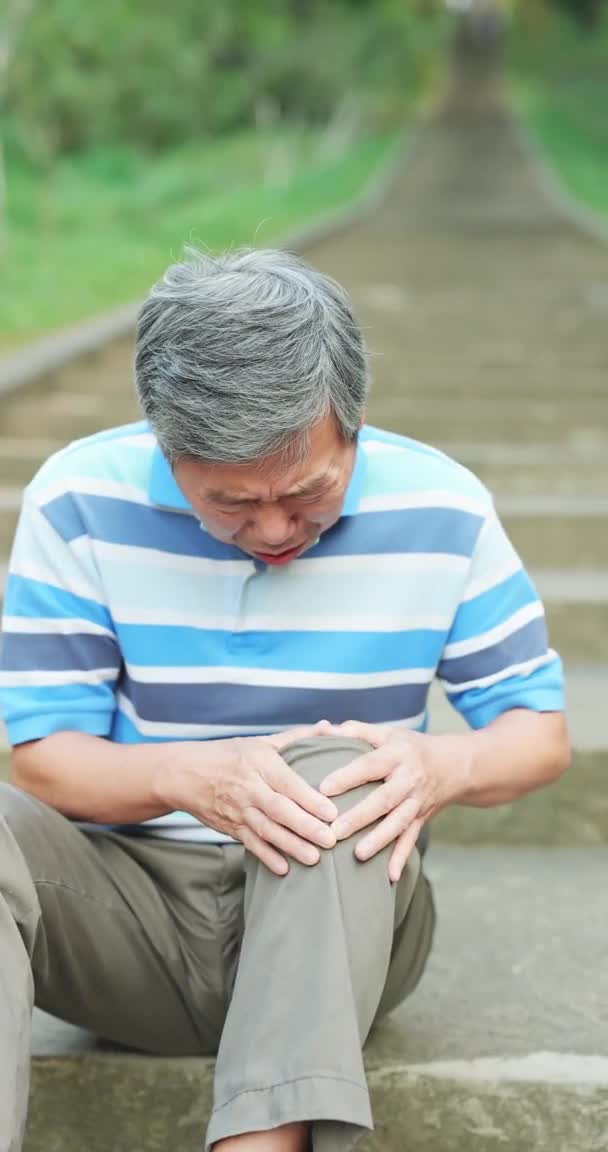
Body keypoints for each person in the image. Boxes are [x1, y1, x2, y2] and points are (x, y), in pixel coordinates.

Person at [0, 248, 569, 1152]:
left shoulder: (444, 508)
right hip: (130, 919)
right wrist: (191, 777)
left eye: (307, 493)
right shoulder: (78, 501)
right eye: (229, 503)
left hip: (348, 923)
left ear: (354, 423)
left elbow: (538, 735)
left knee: (337, 770)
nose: (272, 531)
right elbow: (42, 760)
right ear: (165, 448)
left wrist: (441, 763)